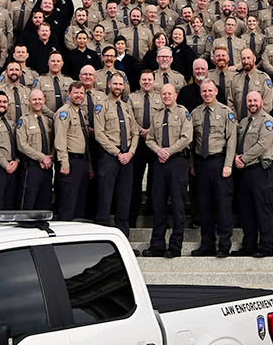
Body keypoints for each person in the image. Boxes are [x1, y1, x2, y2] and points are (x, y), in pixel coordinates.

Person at [142, 80, 192, 257]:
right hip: (160, 163)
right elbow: (149, 139)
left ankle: (175, 246)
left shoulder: (183, 113)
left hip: (177, 163)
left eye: (169, 93)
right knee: (158, 204)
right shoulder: (156, 116)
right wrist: (159, 151)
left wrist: (168, 152)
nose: (166, 96)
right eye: (163, 94)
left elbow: (187, 137)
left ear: (175, 96)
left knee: (178, 205)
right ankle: (157, 245)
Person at [188, 72, 235, 256]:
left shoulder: (226, 113)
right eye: (204, 91)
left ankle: (224, 244)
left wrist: (228, 164)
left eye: (210, 90)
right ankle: (207, 244)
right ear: (201, 93)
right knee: (204, 206)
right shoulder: (195, 113)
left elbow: (231, 139)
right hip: (202, 164)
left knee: (222, 206)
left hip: (219, 162)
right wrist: (192, 164)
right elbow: (192, 143)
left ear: (216, 91)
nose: (207, 93)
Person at [231, 87, 273, 258]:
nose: (252, 103)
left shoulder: (268, 121)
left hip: (260, 170)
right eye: (249, 101)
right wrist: (236, 158)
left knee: (262, 209)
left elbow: (263, 144)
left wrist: (243, 159)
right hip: (245, 173)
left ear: (262, 102)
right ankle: (249, 245)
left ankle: (266, 247)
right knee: (246, 210)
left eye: (255, 101)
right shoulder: (243, 122)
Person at [95, 71, 142, 234]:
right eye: (115, 83)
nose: (117, 87)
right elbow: (99, 134)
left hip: (127, 158)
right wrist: (117, 153)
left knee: (124, 200)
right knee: (105, 199)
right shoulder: (101, 106)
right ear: (109, 85)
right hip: (110, 157)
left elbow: (135, 132)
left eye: (120, 84)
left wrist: (131, 152)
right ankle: (102, 240)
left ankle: (124, 238)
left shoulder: (126, 106)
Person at [51, 75, 94, 221]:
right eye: (76, 92)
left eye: (81, 93)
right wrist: (64, 162)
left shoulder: (81, 113)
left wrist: (88, 165)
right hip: (70, 162)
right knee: (68, 203)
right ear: (69, 94)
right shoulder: (64, 113)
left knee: (80, 203)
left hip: (81, 162)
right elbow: (60, 139)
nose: (79, 96)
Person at [15, 85, 54, 212]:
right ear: (29, 101)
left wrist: (49, 158)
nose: (37, 102)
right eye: (34, 100)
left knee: (44, 202)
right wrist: (42, 158)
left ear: (44, 101)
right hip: (32, 167)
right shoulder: (23, 121)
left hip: (47, 167)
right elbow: (22, 145)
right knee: (28, 202)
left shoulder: (48, 121)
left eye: (39, 99)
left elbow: (54, 141)